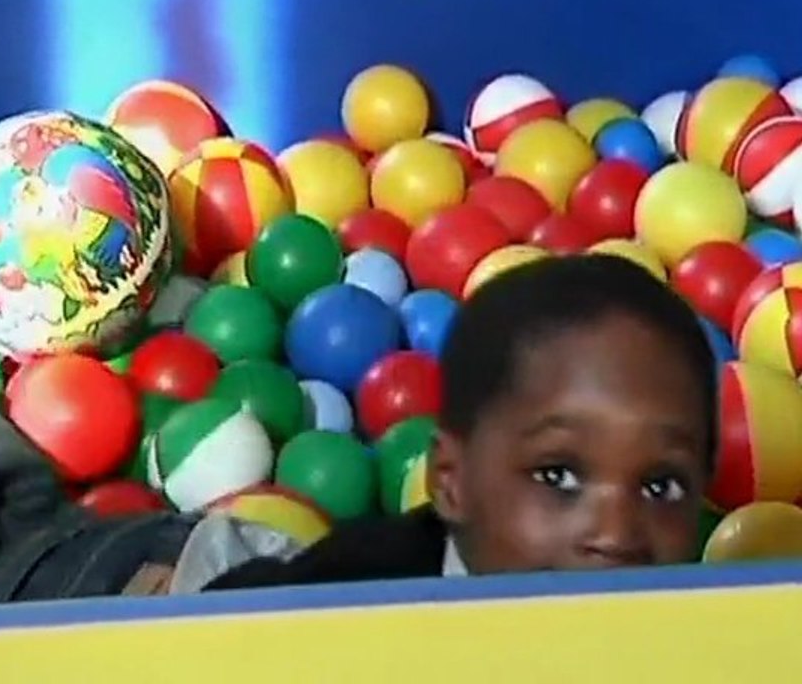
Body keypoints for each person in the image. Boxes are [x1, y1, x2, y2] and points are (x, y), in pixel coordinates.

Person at [202, 253, 717, 590]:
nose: (617, 533)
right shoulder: (348, 601)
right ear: (451, 482)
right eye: (557, 474)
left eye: (661, 485)